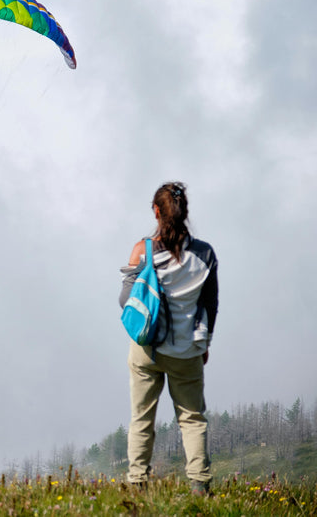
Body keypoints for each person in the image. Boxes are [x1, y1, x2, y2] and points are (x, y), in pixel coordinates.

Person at [119, 182, 219, 496]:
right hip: (188, 348)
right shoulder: (204, 253)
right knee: (191, 419)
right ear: (184, 212)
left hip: (147, 347)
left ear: (156, 211)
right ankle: (199, 484)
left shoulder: (142, 250)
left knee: (142, 417)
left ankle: (137, 484)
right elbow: (210, 304)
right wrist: (207, 343)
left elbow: (126, 301)